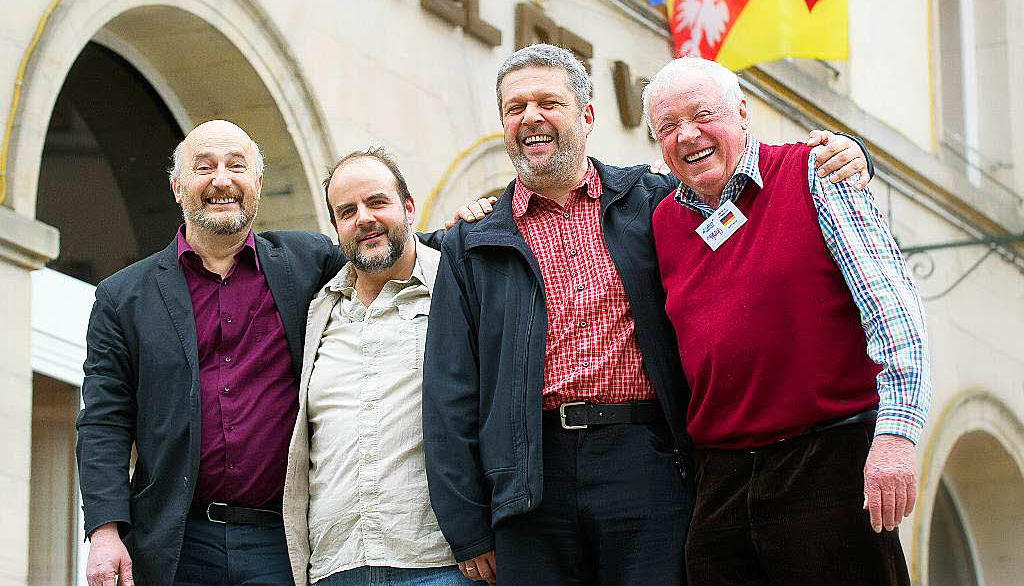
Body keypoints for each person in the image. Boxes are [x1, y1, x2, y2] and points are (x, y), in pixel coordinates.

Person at [422, 43, 872, 586]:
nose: (530, 118)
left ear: (587, 117)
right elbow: (449, 393)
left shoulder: (654, 199)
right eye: (515, 108)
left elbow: (745, 186)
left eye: (548, 102)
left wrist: (850, 157)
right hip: (529, 479)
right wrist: (468, 528)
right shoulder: (472, 243)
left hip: (649, 462)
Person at [77, 122, 466, 586]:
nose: (222, 180)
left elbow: (381, 246)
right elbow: (104, 420)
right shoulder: (124, 297)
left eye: (237, 166)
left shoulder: (307, 262)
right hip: (175, 541)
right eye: (205, 168)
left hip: (279, 542)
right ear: (178, 187)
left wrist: (464, 232)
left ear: (257, 185)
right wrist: (105, 531)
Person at [643, 57, 931, 586]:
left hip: (827, 458)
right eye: (668, 126)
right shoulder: (663, 219)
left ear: (743, 113)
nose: (688, 135)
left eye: (704, 114)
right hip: (722, 478)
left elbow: (894, 311)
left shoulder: (815, 172)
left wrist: (897, 436)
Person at [282, 149, 473, 586]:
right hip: (334, 565)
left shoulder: (457, 287)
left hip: (438, 563)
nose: (363, 218)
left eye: (377, 202)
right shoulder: (318, 311)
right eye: (347, 211)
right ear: (335, 227)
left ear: (408, 207)